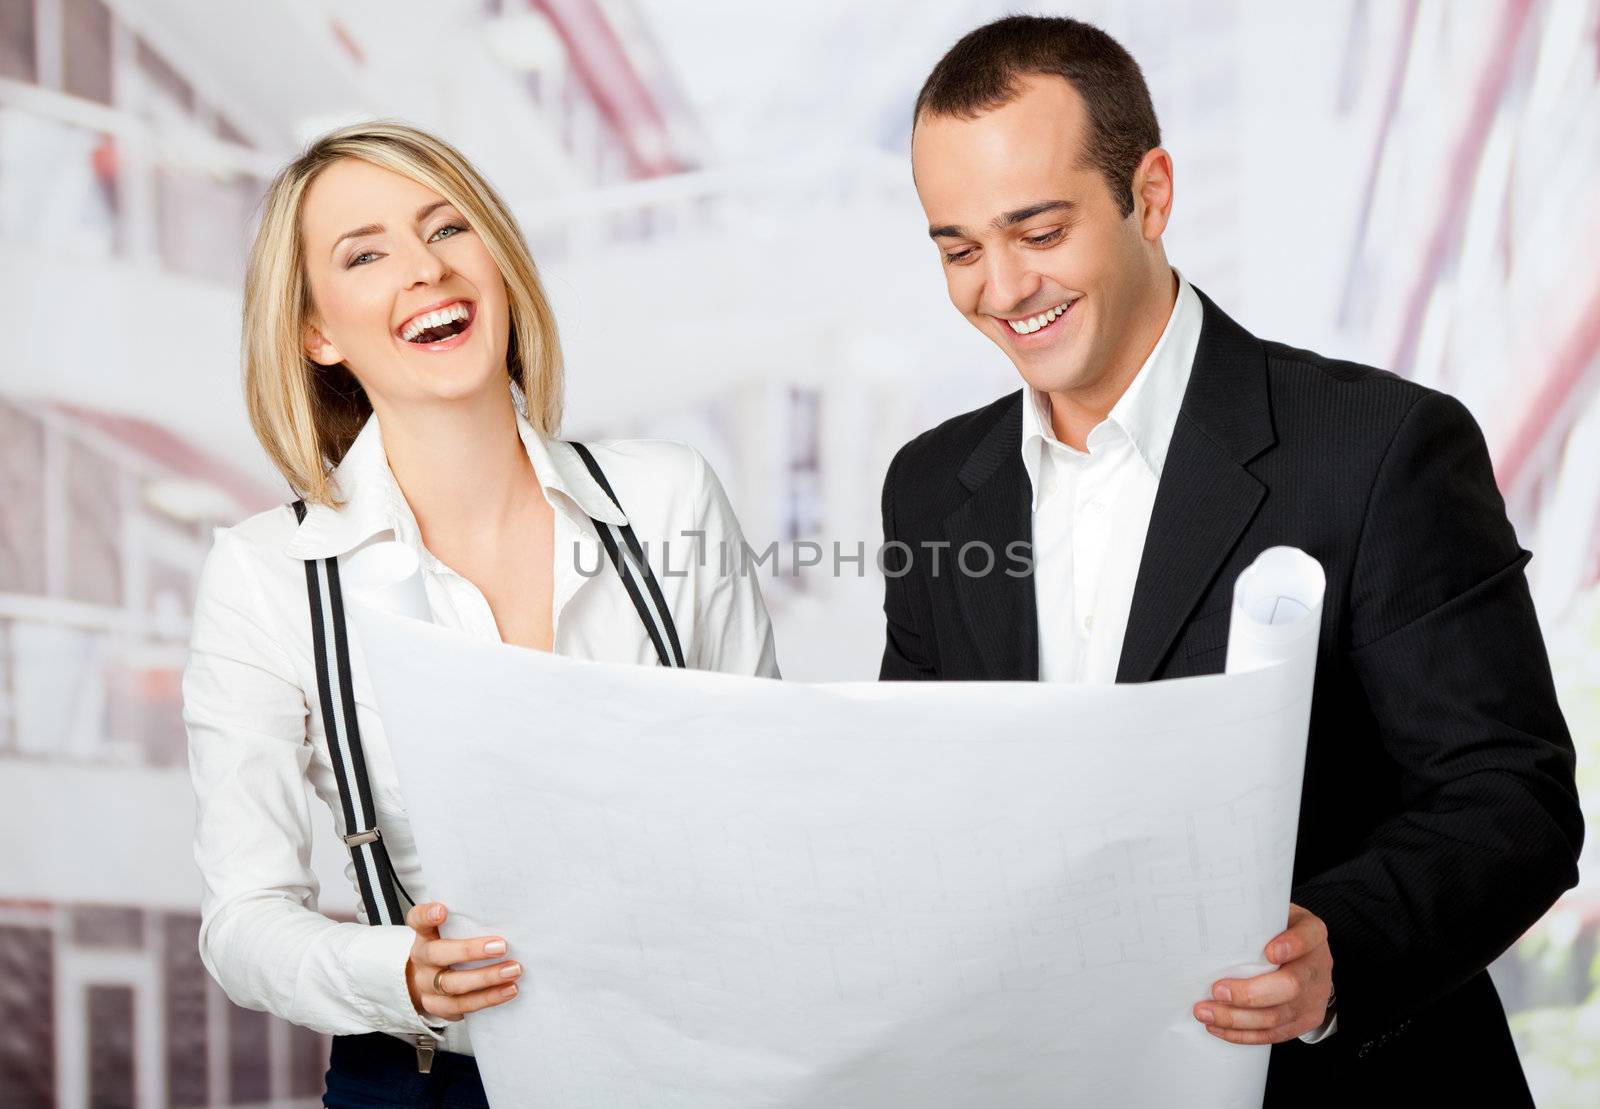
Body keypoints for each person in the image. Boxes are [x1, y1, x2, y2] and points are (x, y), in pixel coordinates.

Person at [880, 15, 1581, 1102]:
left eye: (1040, 230)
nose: (1003, 287)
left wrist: (1334, 948)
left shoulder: (1379, 449)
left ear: (1149, 195)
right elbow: (921, 796)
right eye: (960, 248)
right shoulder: (929, 487)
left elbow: (1511, 802)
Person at [183, 121, 778, 1107]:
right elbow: (242, 922)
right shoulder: (267, 573)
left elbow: (771, 800)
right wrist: (394, 973)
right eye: (365, 253)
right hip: (428, 1079)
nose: (424, 269)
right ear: (317, 332)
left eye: (447, 227)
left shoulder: (667, 497)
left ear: (497, 260)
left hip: (685, 1063)